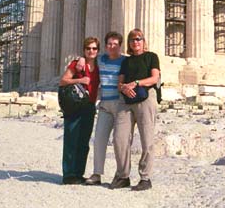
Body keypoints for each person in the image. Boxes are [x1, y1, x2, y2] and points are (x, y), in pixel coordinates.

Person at [111, 29, 160, 191]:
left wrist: (136, 83)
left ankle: (145, 177)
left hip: (145, 98)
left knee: (147, 139)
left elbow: (155, 78)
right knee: (120, 138)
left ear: (143, 41)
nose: (135, 42)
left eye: (138, 39)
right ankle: (123, 176)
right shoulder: (126, 61)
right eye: (132, 40)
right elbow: (119, 83)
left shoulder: (151, 57)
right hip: (126, 100)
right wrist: (124, 87)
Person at [84, 31, 126, 186]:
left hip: (121, 105)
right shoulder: (101, 59)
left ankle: (121, 174)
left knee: (119, 141)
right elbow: (89, 58)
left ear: (120, 46)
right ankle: (97, 174)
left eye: (115, 44)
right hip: (105, 105)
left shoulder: (125, 61)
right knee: (99, 139)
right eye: (109, 44)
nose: (112, 47)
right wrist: (81, 59)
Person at [59, 37, 100, 185]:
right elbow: (63, 81)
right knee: (71, 139)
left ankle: (78, 173)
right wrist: (80, 80)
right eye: (88, 48)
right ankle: (69, 174)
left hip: (89, 106)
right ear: (84, 50)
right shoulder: (77, 64)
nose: (91, 51)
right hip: (75, 105)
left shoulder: (99, 66)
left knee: (83, 141)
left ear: (98, 51)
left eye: (94, 48)